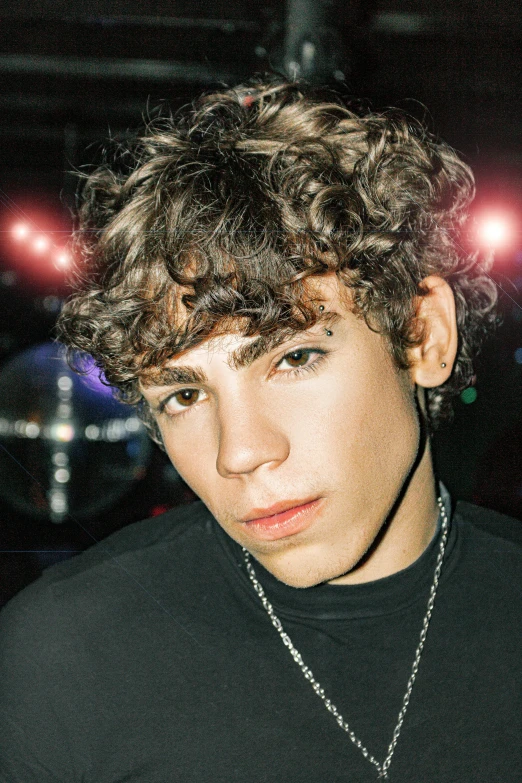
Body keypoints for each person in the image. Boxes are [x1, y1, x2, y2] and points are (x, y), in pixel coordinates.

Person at [0, 80, 520, 783]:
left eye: (295, 357)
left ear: (423, 334)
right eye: (184, 392)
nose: (240, 451)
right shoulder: (65, 658)